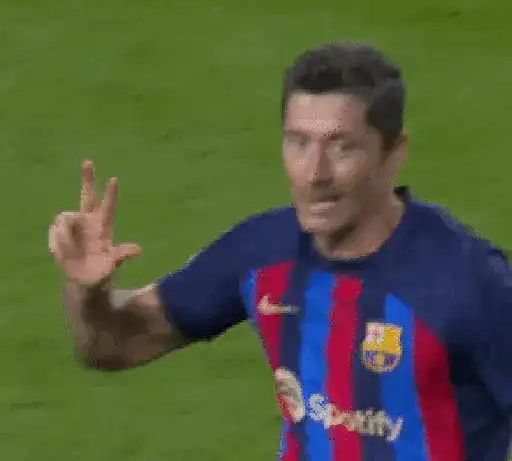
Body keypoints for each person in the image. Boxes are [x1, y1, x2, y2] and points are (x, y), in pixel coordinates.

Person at [48, 41, 512, 461]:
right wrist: (88, 292)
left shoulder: (469, 281)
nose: (315, 174)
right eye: (298, 142)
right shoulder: (262, 252)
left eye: (342, 147)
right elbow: (113, 345)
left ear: (395, 153)